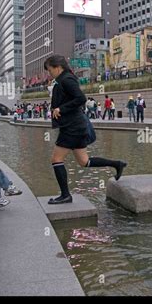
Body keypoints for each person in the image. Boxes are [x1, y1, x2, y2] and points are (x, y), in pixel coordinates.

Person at [44, 54, 127, 204]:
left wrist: (61, 109)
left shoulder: (66, 79)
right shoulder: (64, 78)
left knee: (56, 159)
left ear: (58, 67)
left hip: (72, 127)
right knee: (84, 161)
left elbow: (81, 99)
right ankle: (117, 164)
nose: (49, 73)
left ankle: (65, 195)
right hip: (75, 126)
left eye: (50, 70)